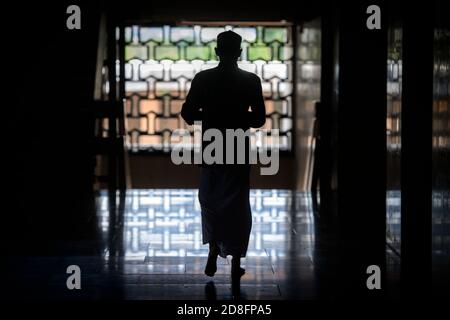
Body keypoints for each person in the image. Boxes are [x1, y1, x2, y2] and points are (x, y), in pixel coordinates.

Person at [181, 30, 266, 283]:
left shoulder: (203, 79)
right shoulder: (251, 80)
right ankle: (236, 260)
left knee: (211, 200)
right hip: (238, 147)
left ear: (217, 52)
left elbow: (187, 113)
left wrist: (211, 116)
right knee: (238, 203)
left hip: (212, 147)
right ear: (239, 53)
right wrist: (237, 117)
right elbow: (259, 119)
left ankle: (213, 248)